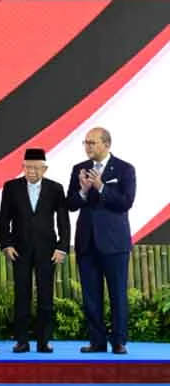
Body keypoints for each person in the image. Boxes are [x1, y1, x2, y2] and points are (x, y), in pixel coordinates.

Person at [67, 127, 135, 355]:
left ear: (107, 144)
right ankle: (97, 341)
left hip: (114, 243)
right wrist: (84, 191)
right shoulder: (79, 169)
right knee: (91, 296)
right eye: (86, 142)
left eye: (92, 142)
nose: (88, 147)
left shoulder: (124, 169)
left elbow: (126, 202)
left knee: (118, 294)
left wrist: (101, 187)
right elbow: (71, 204)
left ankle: (119, 341)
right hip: (87, 242)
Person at [0, 148, 70, 353]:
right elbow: (4, 218)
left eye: (36, 168)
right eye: (27, 167)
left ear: (44, 169)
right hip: (19, 249)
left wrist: (62, 247)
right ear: (23, 167)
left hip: (47, 250)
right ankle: (21, 341)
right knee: (21, 295)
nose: (31, 171)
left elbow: (63, 220)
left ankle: (43, 341)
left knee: (46, 296)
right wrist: (6, 244)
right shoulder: (11, 187)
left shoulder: (55, 188)